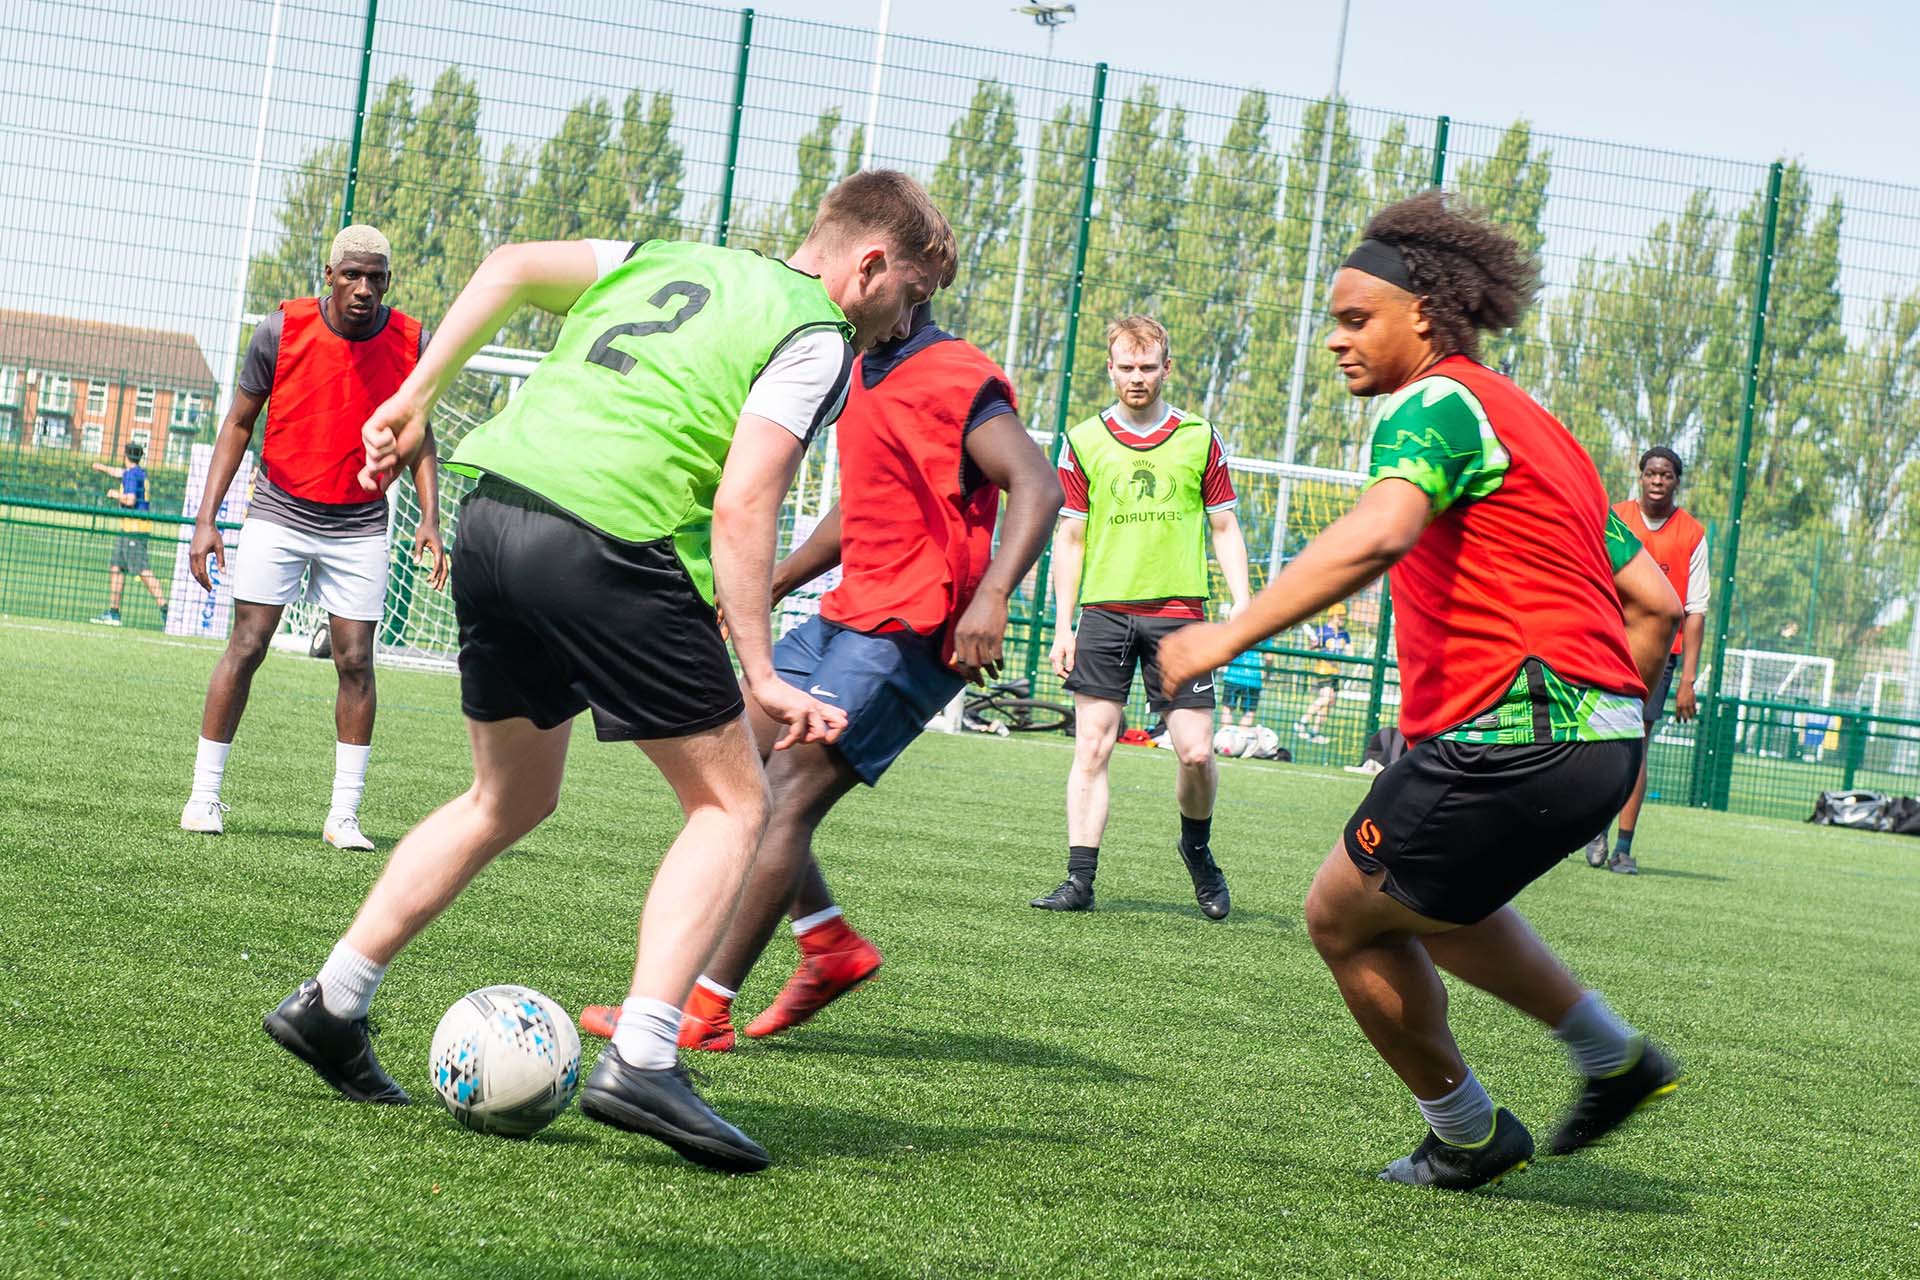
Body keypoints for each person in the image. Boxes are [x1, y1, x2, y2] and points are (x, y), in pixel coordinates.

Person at [261, 171, 956, 1176]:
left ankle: (332, 998)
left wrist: (415, 397)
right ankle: (642, 1054)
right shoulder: (816, 335)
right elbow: (746, 500)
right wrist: (759, 668)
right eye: (912, 296)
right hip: (605, 538)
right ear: (870, 266)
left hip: (495, 514)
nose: (906, 319)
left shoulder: (672, 256)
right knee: (733, 803)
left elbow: (505, 266)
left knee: (507, 795)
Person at [1158, 191, 1686, 1191]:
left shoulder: (1436, 403)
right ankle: (1613, 1054)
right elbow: (1652, 603)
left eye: (1356, 319)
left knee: (1340, 915)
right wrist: (1605, 725)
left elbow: (1382, 531)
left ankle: (1468, 1131)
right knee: (1428, 906)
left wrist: (1222, 634)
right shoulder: (1545, 431)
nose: (1336, 341)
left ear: (1427, 316)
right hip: (1595, 737)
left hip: (1517, 727)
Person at [576, 301, 1061, 1050]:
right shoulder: (859, 368)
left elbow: (1038, 484)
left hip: (917, 627)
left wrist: (992, 596)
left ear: (911, 282)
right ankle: (825, 939)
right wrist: (769, 583)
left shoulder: (958, 374)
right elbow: (863, 508)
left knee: (780, 797)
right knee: (728, 767)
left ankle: (698, 1011)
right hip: (846, 614)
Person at [179, 225, 447, 850]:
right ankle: (203, 796)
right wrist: (206, 519)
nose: (364, 288)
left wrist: (430, 518)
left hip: (359, 523)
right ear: (328, 275)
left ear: (388, 281)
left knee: (356, 661)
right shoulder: (280, 331)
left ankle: (344, 817)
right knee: (247, 644)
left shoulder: (414, 343)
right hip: (279, 509)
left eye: (376, 277)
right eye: (352, 275)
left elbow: (420, 435)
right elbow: (239, 422)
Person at [1028, 315, 1251, 920]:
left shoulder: (1200, 436)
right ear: (1110, 368)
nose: (1137, 378)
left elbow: (1225, 525)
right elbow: (1069, 540)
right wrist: (1064, 624)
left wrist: (1244, 602)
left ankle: (1197, 849)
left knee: (1196, 753)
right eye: (1126, 367)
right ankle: (1079, 880)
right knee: (1093, 749)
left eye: (1148, 367)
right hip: (1103, 615)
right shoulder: (1082, 441)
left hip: (1181, 617)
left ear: (1166, 369)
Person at [1583, 446, 1707, 874]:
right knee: (1591, 739)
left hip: (1659, 656)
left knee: (1635, 745)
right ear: (1640, 477)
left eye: (1667, 474)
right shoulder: (1614, 518)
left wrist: (1688, 678)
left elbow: (1695, 611)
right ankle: (1591, 826)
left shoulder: (1691, 533)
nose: (1658, 481)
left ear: (1676, 481)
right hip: (1608, 644)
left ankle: (1623, 847)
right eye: (1651, 473)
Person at [90, 441, 169, 626]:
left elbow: (130, 499)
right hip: (127, 529)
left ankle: (166, 609)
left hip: (135, 530)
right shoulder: (136, 472)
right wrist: (101, 467)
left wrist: (114, 495)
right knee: (116, 567)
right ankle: (114, 612)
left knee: (142, 570)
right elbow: (119, 473)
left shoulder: (132, 476)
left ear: (125, 455)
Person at [1295, 603, 1351, 743]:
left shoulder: (1344, 633)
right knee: (1326, 698)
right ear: (1332, 616)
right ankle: (1302, 722)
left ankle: (1315, 732)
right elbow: (1312, 649)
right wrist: (1314, 645)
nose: (1342, 619)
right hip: (1323, 670)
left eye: (1344, 617)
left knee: (1330, 702)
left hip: (1336, 672)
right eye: (1340, 616)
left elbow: (1350, 650)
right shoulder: (1322, 631)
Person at [1221, 646, 1265, 729]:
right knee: (1249, 712)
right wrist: (1267, 672)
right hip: (1254, 678)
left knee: (1227, 708)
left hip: (1233, 675)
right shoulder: (1263, 633)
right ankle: (1242, 739)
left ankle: (1225, 739)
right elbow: (1269, 657)